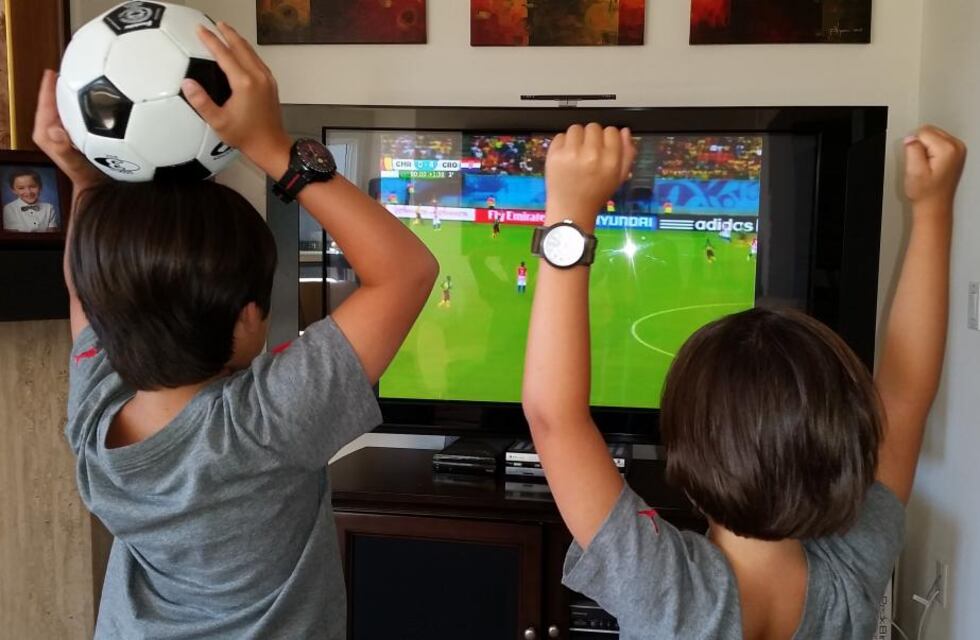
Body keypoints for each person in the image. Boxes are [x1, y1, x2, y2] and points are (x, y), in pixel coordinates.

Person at [34, 22, 438, 640]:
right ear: (249, 315)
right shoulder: (261, 425)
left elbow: (85, 288)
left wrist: (88, 180)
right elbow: (407, 272)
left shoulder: (97, 415)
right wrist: (269, 145)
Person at [522, 123, 966, 639]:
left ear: (687, 453)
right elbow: (905, 398)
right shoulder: (853, 571)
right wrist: (934, 211)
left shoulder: (667, 590)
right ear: (849, 448)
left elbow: (556, 417)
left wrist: (570, 210)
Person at [3, 168, 59, 232]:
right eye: (21, 188)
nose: (28, 192)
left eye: (33, 186)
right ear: (14, 190)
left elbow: (51, 234)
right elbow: (12, 236)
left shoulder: (49, 208)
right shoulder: (9, 209)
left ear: (40, 187)